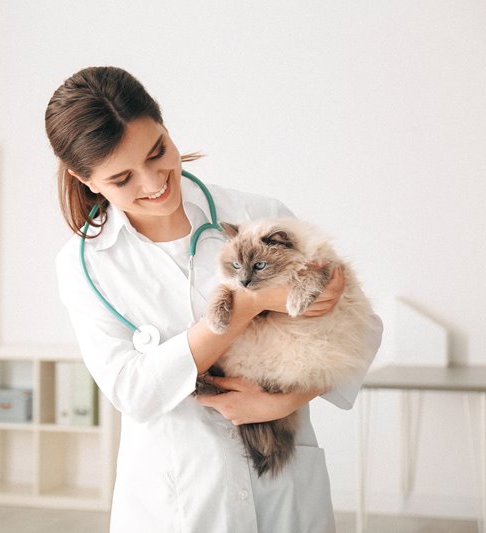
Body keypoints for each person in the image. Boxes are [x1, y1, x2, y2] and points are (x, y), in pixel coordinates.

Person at [46, 66, 382, 533]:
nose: (152, 182)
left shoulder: (256, 215)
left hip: (282, 485)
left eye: (158, 151)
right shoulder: (86, 265)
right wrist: (248, 306)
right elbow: (132, 391)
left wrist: (282, 402)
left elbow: (362, 328)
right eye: (122, 178)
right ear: (84, 178)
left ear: (165, 127)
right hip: (178, 496)